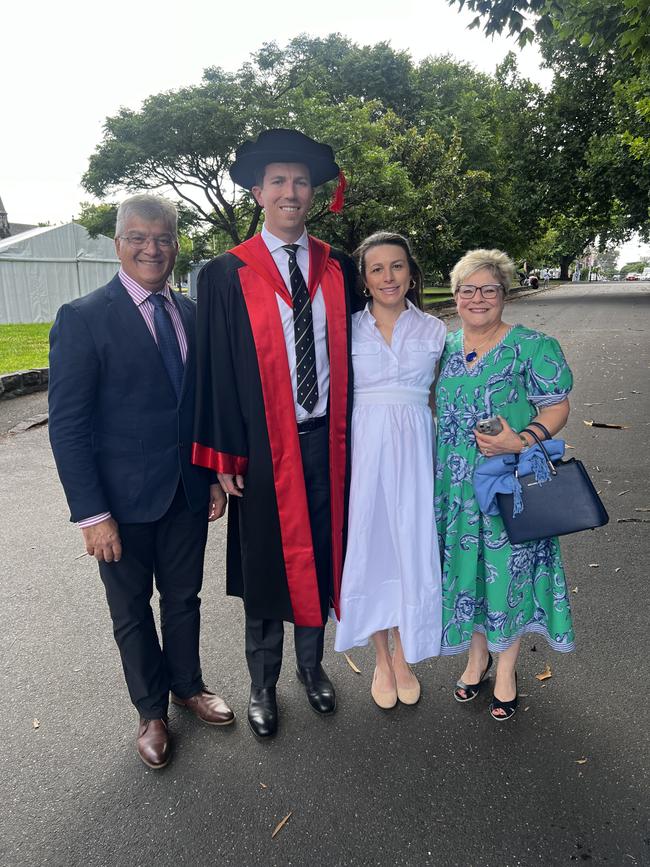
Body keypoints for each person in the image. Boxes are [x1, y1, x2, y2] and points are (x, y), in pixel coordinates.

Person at [48, 194, 234, 770]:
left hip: (186, 492)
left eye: (162, 238)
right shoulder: (82, 318)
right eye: (138, 237)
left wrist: (211, 478)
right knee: (130, 610)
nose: (151, 248)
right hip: (119, 503)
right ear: (118, 243)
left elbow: (200, 406)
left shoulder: (193, 312)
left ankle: (188, 686)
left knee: (183, 599)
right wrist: (92, 514)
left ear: (176, 244)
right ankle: (150, 711)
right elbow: (69, 427)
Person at [192, 129, 360, 738]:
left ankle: (311, 668)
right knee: (266, 566)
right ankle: (262, 683)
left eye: (301, 182)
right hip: (263, 449)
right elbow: (210, 371)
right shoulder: (224, 274)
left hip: (329, 441)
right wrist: (221, 456)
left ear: (313, 193)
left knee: (320, 555)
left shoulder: (338, 269)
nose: (291, 192)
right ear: (259, 192)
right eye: (279, 182)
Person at [435, 248, 574, 721]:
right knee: (469, 573)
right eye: (468, 289)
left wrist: (524, 439)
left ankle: (508, 669)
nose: (478, 298)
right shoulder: (444, 348)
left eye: (489, 289)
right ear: (455, 296)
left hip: (508, 487)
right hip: (454, 489)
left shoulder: (534, 346)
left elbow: (556, 405)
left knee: (508, 574)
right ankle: (477, 659)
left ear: (505, 295)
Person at [334, 233, 445, 708]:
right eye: (376, 269)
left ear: (411, 273)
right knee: (373, 546)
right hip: (364, 449)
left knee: (410, 547)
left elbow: (449, 396)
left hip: (417, 449)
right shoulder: (345, 330)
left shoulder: (436, 331)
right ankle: (382, 657)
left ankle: (405, 655)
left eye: (396, 267)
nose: (387, 277)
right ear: (363, 279)